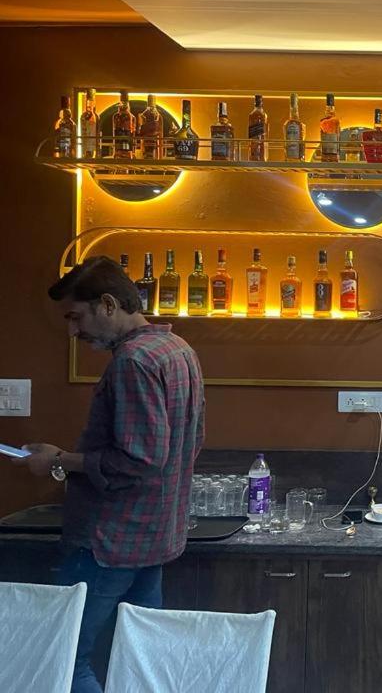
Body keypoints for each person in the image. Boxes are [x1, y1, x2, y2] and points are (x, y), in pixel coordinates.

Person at [15, 255, 204, 693]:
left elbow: (140, 459)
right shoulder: (178, 350)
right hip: (156, 536)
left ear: (107, 304)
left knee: (60, 658)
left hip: (110, 542)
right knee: (142, 664)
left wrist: (58, 459)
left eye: (75, 316)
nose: (73, 331)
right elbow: (189, 443)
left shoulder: (133, 361)